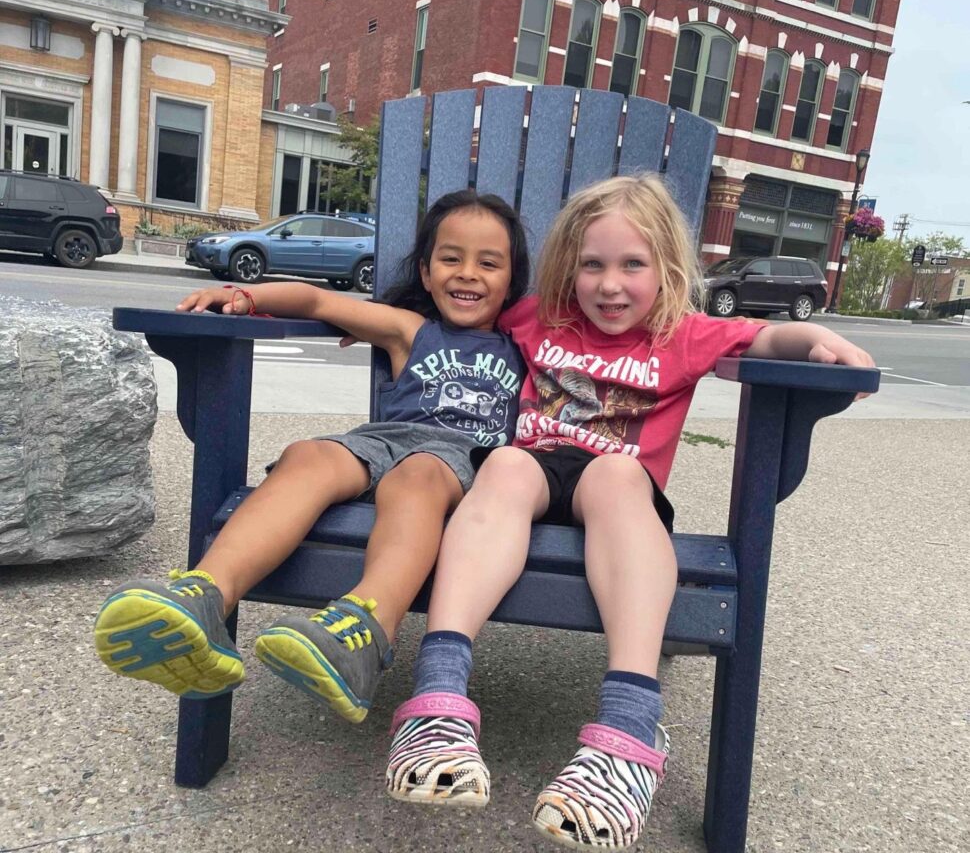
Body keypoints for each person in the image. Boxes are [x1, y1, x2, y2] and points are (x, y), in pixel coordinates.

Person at [385, 175, 874, 848]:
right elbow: (453, 303)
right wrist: (292, 309)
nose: (610, 285)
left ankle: (628, 729)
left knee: (617, 472)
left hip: (614, 494)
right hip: (529, 472)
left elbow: (760, 337)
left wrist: (815, 339)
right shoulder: (538, 318)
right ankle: (437, 705)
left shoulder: (684, 334)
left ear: (667, 268)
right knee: (500, 463)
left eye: (631, 265)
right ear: (568, 269)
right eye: (592, 265)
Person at [94, 190, 529, 724]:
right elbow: (318, 301)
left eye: (489, 263)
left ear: (512, 281)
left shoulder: (528, 345)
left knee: (416, 477)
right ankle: (205, 597)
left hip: (456, 461)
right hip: (382, 439)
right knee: (308, 455)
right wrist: (246, 297)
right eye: (450, 258)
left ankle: (366, 634)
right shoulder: (410, 330)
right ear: (425, 270)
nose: (468, 274)